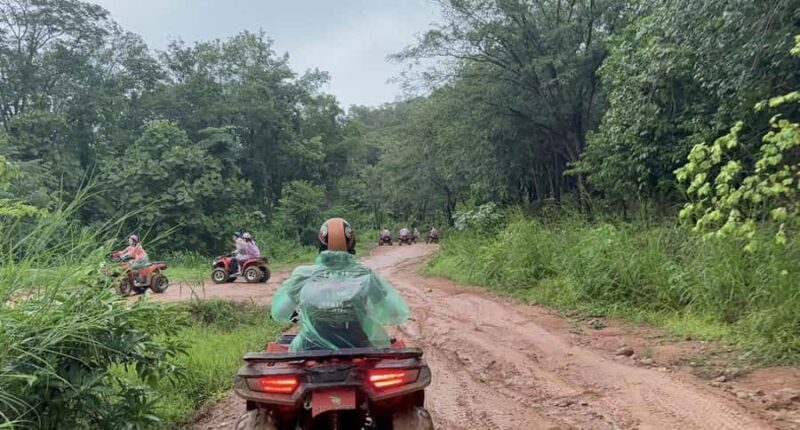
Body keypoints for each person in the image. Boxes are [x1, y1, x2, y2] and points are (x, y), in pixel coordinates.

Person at [271, 218, 410, 351]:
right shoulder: (365, 274)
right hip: (359, 348)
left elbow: (280, 313)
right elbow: (394, 314)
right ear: (352, 243)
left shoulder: (303, 274)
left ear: (321, 244)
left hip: (308, 348)